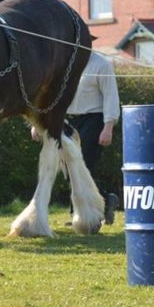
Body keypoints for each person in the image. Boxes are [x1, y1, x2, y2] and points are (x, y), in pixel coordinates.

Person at [33, 49, 121, 224]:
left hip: (93, 119)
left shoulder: (101, 64)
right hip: (66, 120)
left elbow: (111, 97)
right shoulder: (62, 64)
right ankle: (104, 200)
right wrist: (38, 122)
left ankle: (80, 214)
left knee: (84, 165)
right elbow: (49, 96)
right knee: (68, 168)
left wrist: (108, 127)